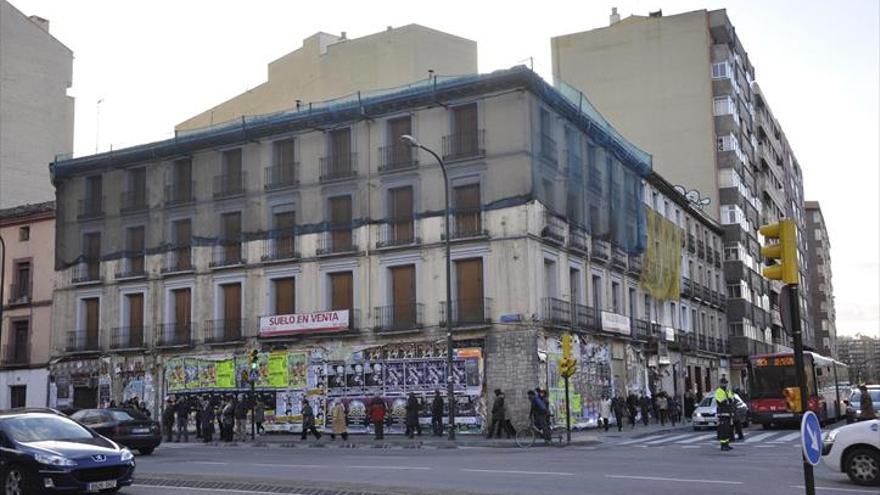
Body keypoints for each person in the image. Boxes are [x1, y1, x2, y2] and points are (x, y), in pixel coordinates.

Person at [714, 378, 734, 451]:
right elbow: (721, 402)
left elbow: (731, 400)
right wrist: (728, 400)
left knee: (728, 430)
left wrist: (728, 400)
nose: (724, 384)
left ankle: (727, 444)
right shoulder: (718, 391)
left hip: (728, 413)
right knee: (723, 430)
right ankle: (723, 446)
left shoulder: (727, 390)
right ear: (720, 383)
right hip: (722, 413)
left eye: (725, 383)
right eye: (723, 383)